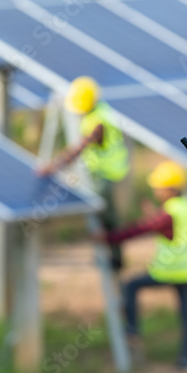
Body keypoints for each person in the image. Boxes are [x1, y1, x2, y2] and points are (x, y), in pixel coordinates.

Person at [104, 160, 187, 368]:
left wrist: (110, 237)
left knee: (130, 285)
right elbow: (170, 231)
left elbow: (142, 229)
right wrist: (154, 215)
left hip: (169, 270)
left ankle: (132, 330)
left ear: (171, 189)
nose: (156, 191)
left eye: (159, 188)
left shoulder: (169, 211)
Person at [38, 76, 129, 270]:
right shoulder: (101, 111)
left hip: (107, 174)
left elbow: (78, 149)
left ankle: (116, 259)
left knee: (108, 218)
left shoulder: (98, 123)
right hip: (106, 171)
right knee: (105, 217)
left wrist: (54, 166)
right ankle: (112, 255)